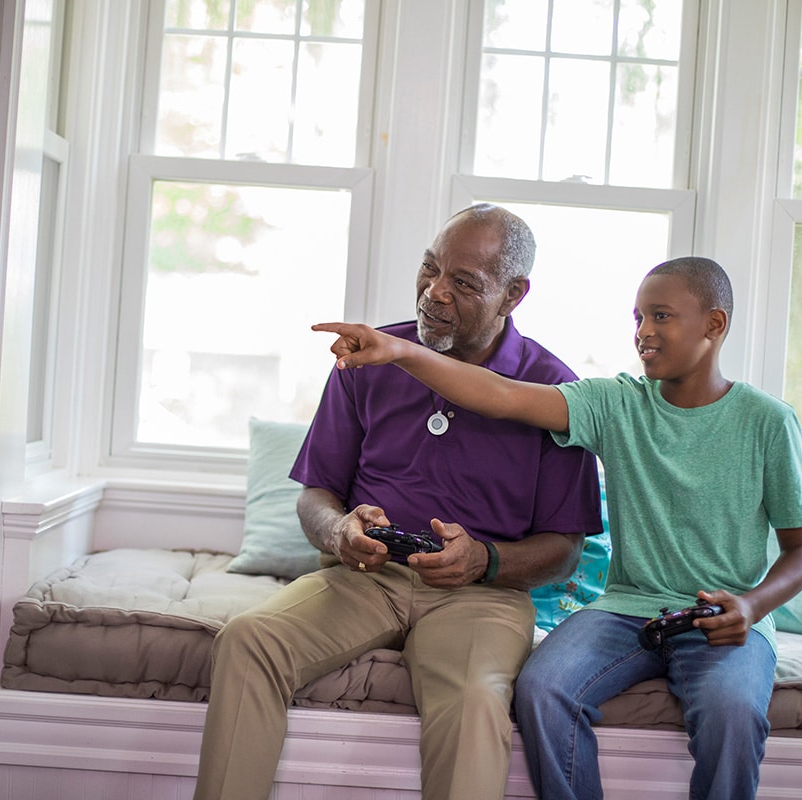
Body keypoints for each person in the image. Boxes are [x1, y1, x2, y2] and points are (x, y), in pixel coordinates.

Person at [314, 256, 802, 800]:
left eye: (661, 317)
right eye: (637, 318)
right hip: (627, 609)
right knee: (542, 688)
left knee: (733, 713)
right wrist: (400, 351)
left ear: (714, 325)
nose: (643, 333)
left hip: (723, 616)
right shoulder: (616, 404)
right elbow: (502, 394)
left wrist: (751, 606)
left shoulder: (768, 422)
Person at [193, 203, 604, 800]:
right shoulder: (368, 358)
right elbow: (316, 496)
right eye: (429, 268)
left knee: (473, 700)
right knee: (248, 639)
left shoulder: (554, 391)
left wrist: (484, 560)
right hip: (366, 576)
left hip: (480, 596)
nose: (433, 293)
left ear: (513, 295)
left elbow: (564, 550)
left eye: (463, 283)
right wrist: (338, 533)